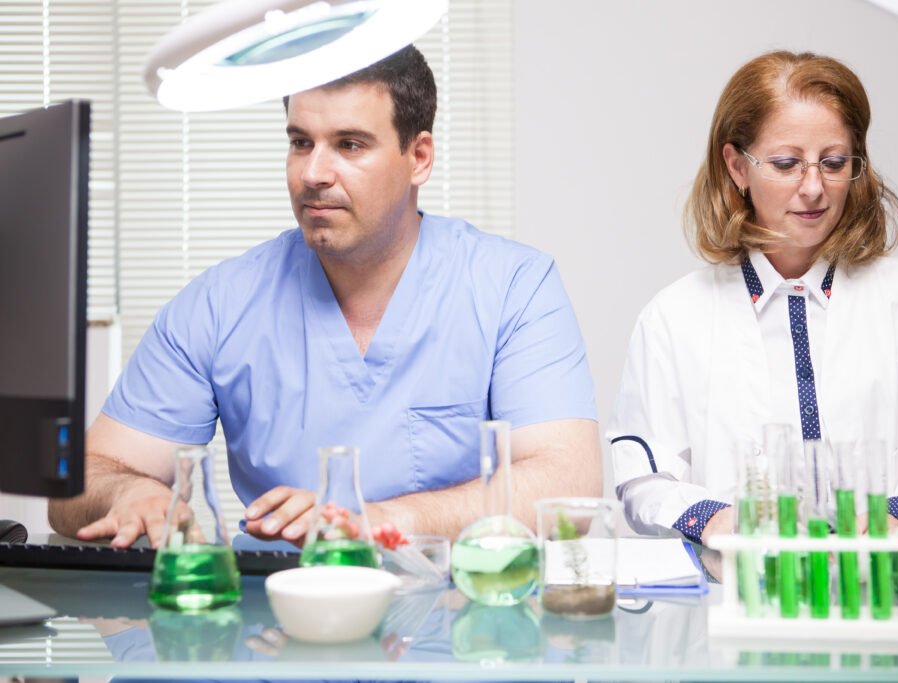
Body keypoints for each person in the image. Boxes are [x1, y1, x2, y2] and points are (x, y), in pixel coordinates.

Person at [49, 45, 601, 548]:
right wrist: (128, 494)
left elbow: (568, 489)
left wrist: (378, 519)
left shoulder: (511, 288)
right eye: (300, 143)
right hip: (272, 630)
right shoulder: (220, 304)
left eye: (350, 145)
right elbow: (82, 479)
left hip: (458, 630)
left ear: (420, 158)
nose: (313, 173)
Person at [607, 50, 898, 545]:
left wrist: (893, 514)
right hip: (737, 601)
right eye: (787, 163)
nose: (814, 188)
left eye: (833, 163)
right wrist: (719, 520)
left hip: (890, 596)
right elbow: (646, 478)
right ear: (737, 167)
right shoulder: (673, 318)